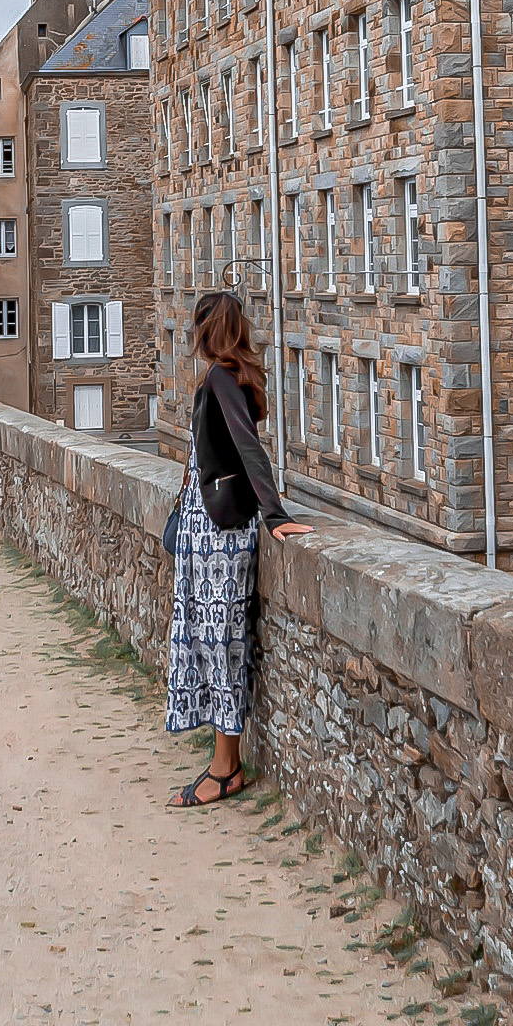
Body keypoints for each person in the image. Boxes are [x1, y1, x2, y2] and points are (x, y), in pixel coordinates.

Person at [166, 291, 312, 809]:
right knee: (210, 642)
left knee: (221, 642)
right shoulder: (228, 378)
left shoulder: (221, 381)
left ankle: (226, 769)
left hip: (219, 539)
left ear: (206, 332)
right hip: (205, 534)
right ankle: (220, 759)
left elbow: (249, 447)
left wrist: (275, 515)